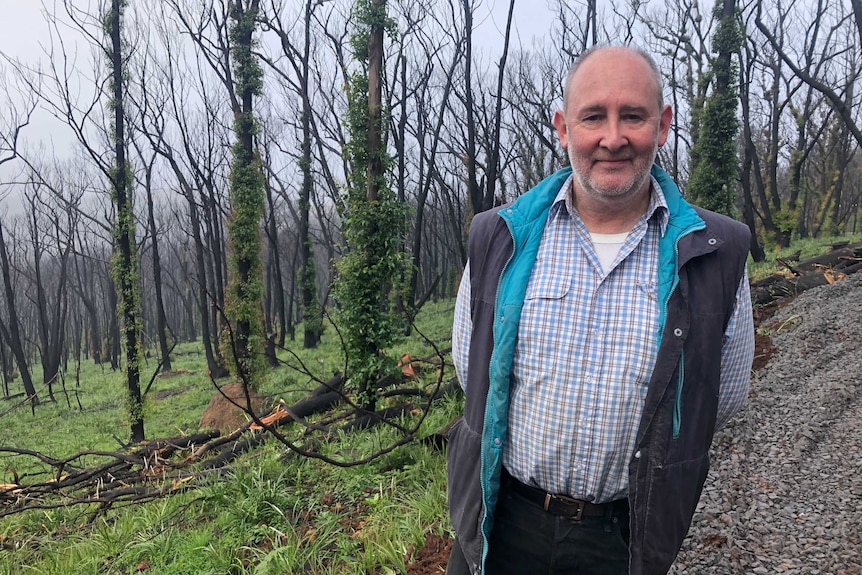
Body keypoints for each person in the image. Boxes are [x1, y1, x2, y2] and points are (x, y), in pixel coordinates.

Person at [445, 45, 755, 575]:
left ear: (662, 126)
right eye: (594, 117)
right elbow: (471, 370)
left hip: (623, 537)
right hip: (501, 522)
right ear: (565, 129)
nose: (614, 138)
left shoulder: (716, 252)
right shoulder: (499, 237)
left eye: (632, 116)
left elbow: (718, 400)